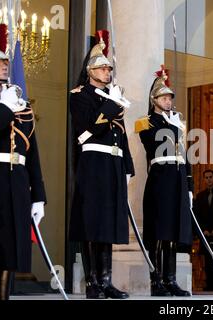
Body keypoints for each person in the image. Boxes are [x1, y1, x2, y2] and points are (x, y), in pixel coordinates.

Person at [69, 32, 134, 299]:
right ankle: (93, 282)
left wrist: (128, 166)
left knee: (107, 224)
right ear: (90, 70)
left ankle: (106, 280)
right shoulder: (80, 95)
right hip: (93, 162)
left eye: (109, 68)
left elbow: (121, 133)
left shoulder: (111, 97)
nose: (107, 72)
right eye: (103, 68)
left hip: (113, 164)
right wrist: (111, 103)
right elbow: (90, 129)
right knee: (92, 223)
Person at [0, 28, 46, 300]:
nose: (4, 67)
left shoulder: (21, 105)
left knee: (9, 252)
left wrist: (38, 197)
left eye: (6, 63)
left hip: (16, 184)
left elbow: (32, 155)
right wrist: (4, 109)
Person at [136, 66, 193, 297]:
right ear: (154, 99)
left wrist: (189, 186)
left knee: (173, 233)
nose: (168, 101)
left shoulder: (177, 123)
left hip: (178, 180)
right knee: (159, 232)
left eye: (170, 98)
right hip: (160, 179)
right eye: (164, 97)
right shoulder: (146, 122)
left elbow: (185, 155)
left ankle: (170, 279)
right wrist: (171, 124)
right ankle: (157, 280)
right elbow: (154, 144)